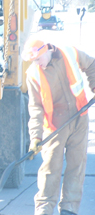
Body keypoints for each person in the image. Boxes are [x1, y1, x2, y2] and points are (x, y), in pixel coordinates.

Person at [22, 37, 95, 215]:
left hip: (80, 118)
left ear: (46, 50)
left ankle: (69, 208)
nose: (37, 63)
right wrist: (36, 137)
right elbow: (35, 107)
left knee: (76, 166)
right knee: (50, 168)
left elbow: (92, 64)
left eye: (38, 59)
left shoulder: (70, 53)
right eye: (33, 61)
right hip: (55, 126)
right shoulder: (33, 74)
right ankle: (44, 209)